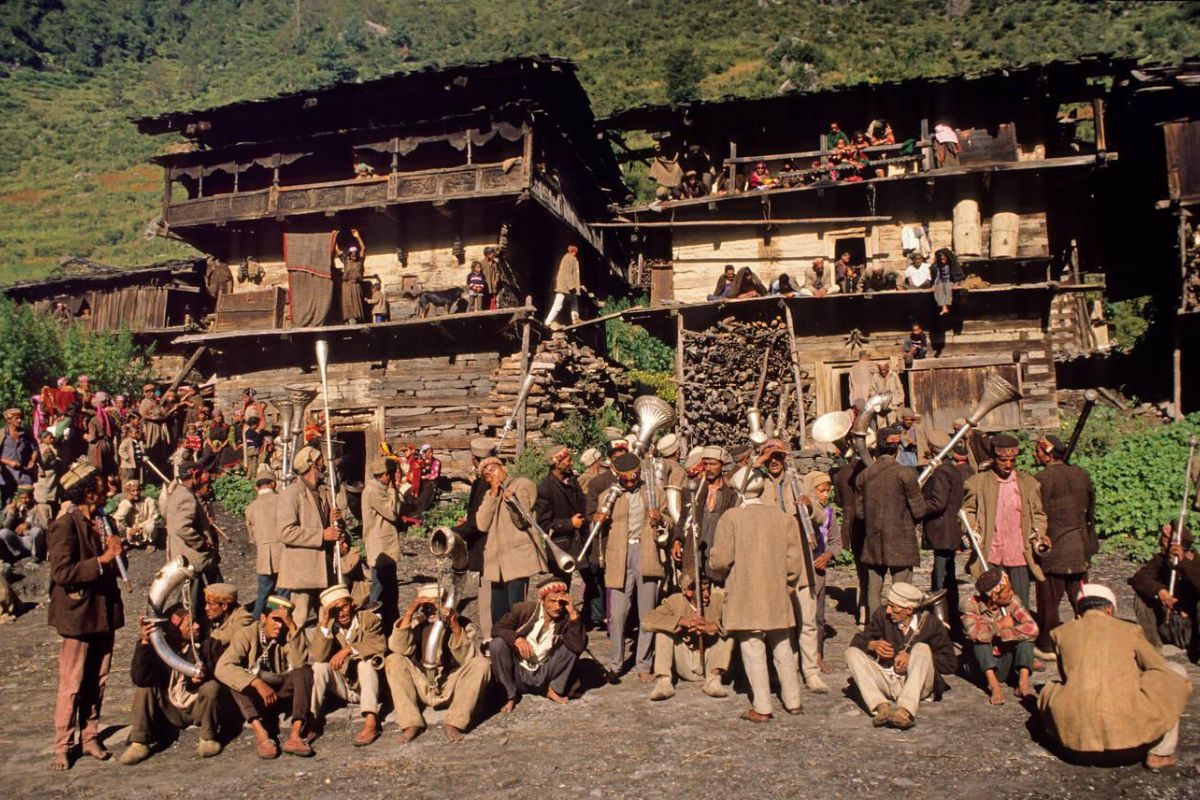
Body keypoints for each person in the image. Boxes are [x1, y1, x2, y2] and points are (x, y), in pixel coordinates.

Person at [1038, 583, 1192, 770]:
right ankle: (1160, 752)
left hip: (1077, 747)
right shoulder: (1129, 629)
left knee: (1050, 688)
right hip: (1129, 745)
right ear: (1110, 609)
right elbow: (1158, 667)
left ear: (1078, 613)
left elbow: (1067, 677)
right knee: (1175, 672)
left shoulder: (1061, 633)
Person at [710, 466, 804, 721]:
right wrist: (786, 585)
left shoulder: (731, 518)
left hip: (745, 592)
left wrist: (717, 569)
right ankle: (793, 700)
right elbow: (794, 563)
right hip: (777, 593)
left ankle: (762, 707)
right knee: (783, 646)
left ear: (739, 492)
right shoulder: (783, 518)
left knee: (752, 647)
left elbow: (719, 561)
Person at [47, 460, 125, 770]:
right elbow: (62, 572)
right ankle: (63, 744)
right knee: (72, 683)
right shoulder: (65, 525)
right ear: (88, 491)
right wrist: (103, 559)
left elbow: (116, 566)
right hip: (78, 615)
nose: (108, 486)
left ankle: (90, 735)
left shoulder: (106, 522)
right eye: (101, 483)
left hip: (104, 612)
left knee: (98, 680)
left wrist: (119, 553)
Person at [118, 603, 231, 765]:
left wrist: (199, 679)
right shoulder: (160, 648)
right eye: (190, 624)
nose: (197, 626)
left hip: (196, 708)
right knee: (145, 689)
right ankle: (139, 743)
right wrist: (144, 643)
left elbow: (219, 673)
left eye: (196, 622)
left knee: (211, 687)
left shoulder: (206, 644)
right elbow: (140, 678)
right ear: (175, 629)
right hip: (169, 710)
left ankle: (208, 738)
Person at [756, 440, 826, 691]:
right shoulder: (758, 484)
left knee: (807, 621)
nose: (774, 461)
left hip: (801, 562)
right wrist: (758, 462)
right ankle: (782, 671)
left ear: (785, 457)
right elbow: (739, 492)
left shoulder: (801, 482)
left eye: (778, 456)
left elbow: (820, 517)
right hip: (772, 564)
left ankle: (811, 672)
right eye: (769, 457)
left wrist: (809, 506)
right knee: (777, 622)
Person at [385, 582, 491, 742]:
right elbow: (398, 648)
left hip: (450, 683)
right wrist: (409, 613)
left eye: (436, 604)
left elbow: (468, 658)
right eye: (427, 606)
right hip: (422, 682)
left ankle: (454, 722)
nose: (432, 610)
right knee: (393, 660)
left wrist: (455, 628)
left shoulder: (461, 623)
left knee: (481, 665)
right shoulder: (417, 623)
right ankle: (410, 722)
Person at [214, 596, 315, 759]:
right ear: (263, 618)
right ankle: (261, 733)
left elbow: (298, 663)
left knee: (304, 672)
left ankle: (295, 734)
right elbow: (223, 667)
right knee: (234, 681)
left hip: (281, 692)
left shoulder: (287, 635)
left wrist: (292, 627)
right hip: (257, 697)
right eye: (275, 619)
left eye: (283, 621)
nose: (279, 625)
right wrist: (256, 683)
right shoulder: (246, 634)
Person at [845, 582, 956, 730]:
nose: (889, 610)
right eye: (888, 604)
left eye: (894, 607)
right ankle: (882, 707)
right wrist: (872, 645)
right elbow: (857, 640)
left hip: (918, 685)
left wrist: (914, 658)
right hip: (889, 682)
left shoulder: (931, 624)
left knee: (922, 648)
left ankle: (905, 711)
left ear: (909, 610)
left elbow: (950, 664)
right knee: (851, 653)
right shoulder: (882, 615)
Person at [599, 451, 666, 680]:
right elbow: (597, 532)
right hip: (619, 557)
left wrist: (661, 519)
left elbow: (670, 521)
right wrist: (596, 521)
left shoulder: (654, 492)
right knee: (617, 614)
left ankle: (643, 665)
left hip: (647, 553)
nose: (630, 480)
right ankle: (615, 664)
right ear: (617, 475)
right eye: (625, 477)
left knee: (646, 612)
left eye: (634, 476)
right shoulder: (609, 496)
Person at [962, 434, 1049, 609]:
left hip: (1018, 553)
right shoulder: (978, 483)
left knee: (1019, 603)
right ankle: (994, 634)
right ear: (993, 459)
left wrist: (1039, 534)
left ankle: (1021, 635)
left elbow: (1039, 514)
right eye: (1003, 460)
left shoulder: (1028, 483)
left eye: (1012, 460)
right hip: (991, 552)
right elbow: (967, 510)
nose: (1008, 465)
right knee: (992, 602)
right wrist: (972, 530)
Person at [1032, 433, 1098, 658]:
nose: (1034, 454)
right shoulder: (1081, 474)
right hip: (1080, 546)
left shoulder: (1041, 479)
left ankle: (1048, 645)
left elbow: (1036, 514)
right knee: (1081, 597)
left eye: (1038, 451)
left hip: (1055, 550)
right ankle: (1089, 638)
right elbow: (1091, 510)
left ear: (1048, 456)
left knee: (1049, 600)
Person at [856, 427, 926, 617]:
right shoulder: (905, 474)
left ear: (877, 448)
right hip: (901, 540)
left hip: (873, 541)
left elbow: (860, 513)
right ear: (896, 449)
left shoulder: (864, 475)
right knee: (901, 589)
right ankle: (898, 627)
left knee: (873, 589)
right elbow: (919, 511)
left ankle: (875, 626)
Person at [490, 575, 585, 711]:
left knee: (572, 647)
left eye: (561, 602)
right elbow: (497, 629)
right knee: (497, 644)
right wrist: (517, 639)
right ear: (542, 600)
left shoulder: (565, 619)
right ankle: (509, 694)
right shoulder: (524, 610)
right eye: (552, 601)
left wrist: (573, 615)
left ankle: (554, 689)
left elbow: (578, 646)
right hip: (518, 671)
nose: (557, 607)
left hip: (544, 673)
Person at [310, 584, 385, 747]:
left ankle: (371, 721)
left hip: (367, 685)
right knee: (319, 667)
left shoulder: (368, 619)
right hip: (344, 685)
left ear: (351, 603)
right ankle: (311, 719)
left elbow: (379, 645)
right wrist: (324, 622)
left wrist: (348, 650)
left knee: (366, 663)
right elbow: (318, 655)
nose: (341, 613)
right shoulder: (328, 627)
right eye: (335, 610)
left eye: (344, 606)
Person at [276, 445, 343, 626]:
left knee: (327, 617)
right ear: (312, 465)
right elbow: (285, 532)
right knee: (299, 618)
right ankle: (295, 652)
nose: (323, 466)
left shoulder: (323, 493)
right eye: (320, 462)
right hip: (303, 571)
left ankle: (323, 652)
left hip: (325, 568)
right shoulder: (291, 494)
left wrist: (333, 520)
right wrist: (321, 535)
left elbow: (330, 529)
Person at [475, 457, 544, 625]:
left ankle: (520, 644)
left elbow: (522, 521)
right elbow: (482, 524)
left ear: (503, 467)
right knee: (498, 612)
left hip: (517, 559)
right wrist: (493, 494)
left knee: (518, 608)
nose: (491, 475)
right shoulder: (489, 494)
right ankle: (501, 644)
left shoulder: (522, 484)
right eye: (486, 475)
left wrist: (511, 503)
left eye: (493, 469)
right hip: (496, 563)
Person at [645, 573, 730, 700]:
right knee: (663, 631)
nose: (707, 594)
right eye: (702, 591)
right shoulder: (674, 601)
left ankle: (713, 681)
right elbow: (647, 621)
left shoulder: (717, 600)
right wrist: (680, 621)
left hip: (709, 662)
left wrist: (712, 626)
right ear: (688, 592)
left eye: (708, 589)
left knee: (727, 635)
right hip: (685, 660)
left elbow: (736, 623)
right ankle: (664, 682)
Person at [963, 567, 1038, 704]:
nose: (1012, 593)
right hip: (981, 667)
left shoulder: (1012, 600)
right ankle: (994, 686)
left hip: (1005, 662)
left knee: (1026, 639)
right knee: (980, 641)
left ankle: (1023, 684)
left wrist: (1000, 634)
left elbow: (1032, 628)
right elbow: (975, 633)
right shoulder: (970, 604)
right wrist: (999, 625)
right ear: (994, 596)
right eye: (1008, 591)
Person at [921, 440, 971, 642]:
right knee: (946, 575)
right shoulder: (953, 471)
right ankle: (951, 622)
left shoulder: (941, 472)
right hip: (949, 529)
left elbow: (938, 502)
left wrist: (918, 508)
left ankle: (944, 625)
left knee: (941, 579)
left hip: (941, 530)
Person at [452, 438, 497, 644]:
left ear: (474, 458)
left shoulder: (483, 483)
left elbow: (479, 522)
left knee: (487, 596)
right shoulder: (494, 480)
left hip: (487, 545)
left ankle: (490, 639)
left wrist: (453, 532)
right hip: (493, 544)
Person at [1129, 524, 1200, 652]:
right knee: (1141, 596)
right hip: (1170, 623)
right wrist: (1160, 591)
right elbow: (1138, 578)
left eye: (1164, 540)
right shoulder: (1161, 560)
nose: (1161, 543)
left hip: (1191, 628)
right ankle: (1152, 648)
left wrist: (1183, 563)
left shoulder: (1196, 562)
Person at [163, 461, 222, 615]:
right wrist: (201, 544)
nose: (206, 478)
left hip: (188, 556)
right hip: (191, 558)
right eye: (203, 475)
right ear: (195, 475)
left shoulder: (180, 493)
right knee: (191, 600)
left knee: (195, 595)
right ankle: (189, 629)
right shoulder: (185, 497)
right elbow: (182, 527)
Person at [361, 455, 403, 628]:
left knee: (390, 588)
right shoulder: (374, 491)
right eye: (391, 474)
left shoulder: (378, 489)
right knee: (380, 588)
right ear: (384, 475)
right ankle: (372, 624)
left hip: (385, 546)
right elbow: (392, 512)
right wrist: (394, 489)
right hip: (380, 546)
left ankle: (390, 622)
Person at [535, 444, 586, 584]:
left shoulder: (572, 480)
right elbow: (544, 525)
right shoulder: (545, 488)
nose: (571, 463)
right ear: (558, 463)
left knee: (594, 583)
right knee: (561, 587)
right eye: (568, 460)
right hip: (561, 546)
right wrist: (570, 523)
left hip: (581, 541)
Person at [245, 464, 281, 619]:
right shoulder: (281, 501)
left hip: (263, 557)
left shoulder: (250, 508)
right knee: (283, 592)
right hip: (282, 553)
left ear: (256, 487)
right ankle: (277, 618)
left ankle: (256, 621)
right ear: (273, 484)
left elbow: (251, 536)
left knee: (263, 593)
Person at [0, 484, 45, 563]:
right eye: (22, 498)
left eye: (27, 498)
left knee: (36, 530)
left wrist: (28, 525)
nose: (24, 500)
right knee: (3, 532)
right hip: (21, 541)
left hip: (33, 541)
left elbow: (44, 526)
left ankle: (35, 556)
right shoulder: (17, 507)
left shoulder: (40, 507)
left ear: (32, 497)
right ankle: (18, 555)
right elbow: (5, 526)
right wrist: (12, 514)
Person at [1, 408, 37, 504]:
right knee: (8, 504)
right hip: (8, 475)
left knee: (27, 502)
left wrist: (32, 460)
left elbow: (35, 449)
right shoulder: (2, 434)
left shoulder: (26, 434)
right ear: (9, 420)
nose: (20, 420)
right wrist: (8, 462)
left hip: (24, 474)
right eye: (16, 418)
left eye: (20, 418)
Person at [112, 479, 158, 549]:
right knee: (118, 523)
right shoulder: (125, 503)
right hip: (130, 531)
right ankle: (125, 541)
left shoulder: (149, 501)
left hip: (144, 528)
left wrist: (140, 527)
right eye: (133, 491)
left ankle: (151, 542)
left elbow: (154, 517)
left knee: (151, 525)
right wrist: (128, 503)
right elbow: (117, 518)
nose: (136, 493)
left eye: (138, 490)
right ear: (128, 492)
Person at [545, 245, 582, 326]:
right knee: (559, 304)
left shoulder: (569, 258)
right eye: (575, 252)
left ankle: (575, 319)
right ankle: (548, 322)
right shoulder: (569, 258)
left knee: (572, 300)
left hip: (564, 286)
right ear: (574, 252)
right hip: (565, 287)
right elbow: (567, 274)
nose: (576, 254)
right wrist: (572, 287)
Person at [336, 228, 366, 324]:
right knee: (348, 305)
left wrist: (358, 237)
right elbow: (337, 250)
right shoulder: (346, 262)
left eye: (355, 253)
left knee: (357, 306)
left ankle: (357, 322)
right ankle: (348, 321)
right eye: (352, 253)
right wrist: (333, 237)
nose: (354, 254)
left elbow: (363, 248)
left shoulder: (359, 262)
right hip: (346, 286)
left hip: (356, 286)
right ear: (349, 254)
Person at [868, 359, 905, 424]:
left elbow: (900, 388)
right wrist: (876, 398)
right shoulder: (875, 376)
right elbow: (871, 389)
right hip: (880, 405)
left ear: (888, 367)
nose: (883, 373)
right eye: (881, 371)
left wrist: (899, 401)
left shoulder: (893, 375)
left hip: (892, 404)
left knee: (892, 424)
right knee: (881, 425)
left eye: (885, 370)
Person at [932, 248, 964, 315]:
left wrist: (956, 283)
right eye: (941, 258)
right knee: (939, 287)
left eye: (944, 258)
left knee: (947, 286)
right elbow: (937, 277)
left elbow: (958, 276)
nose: (942, 260)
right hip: (941, 282)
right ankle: (944, 307)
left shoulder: (952, 265)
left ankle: (948, 305)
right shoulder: (937, 266)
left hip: (950, 282)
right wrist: (934, 285)